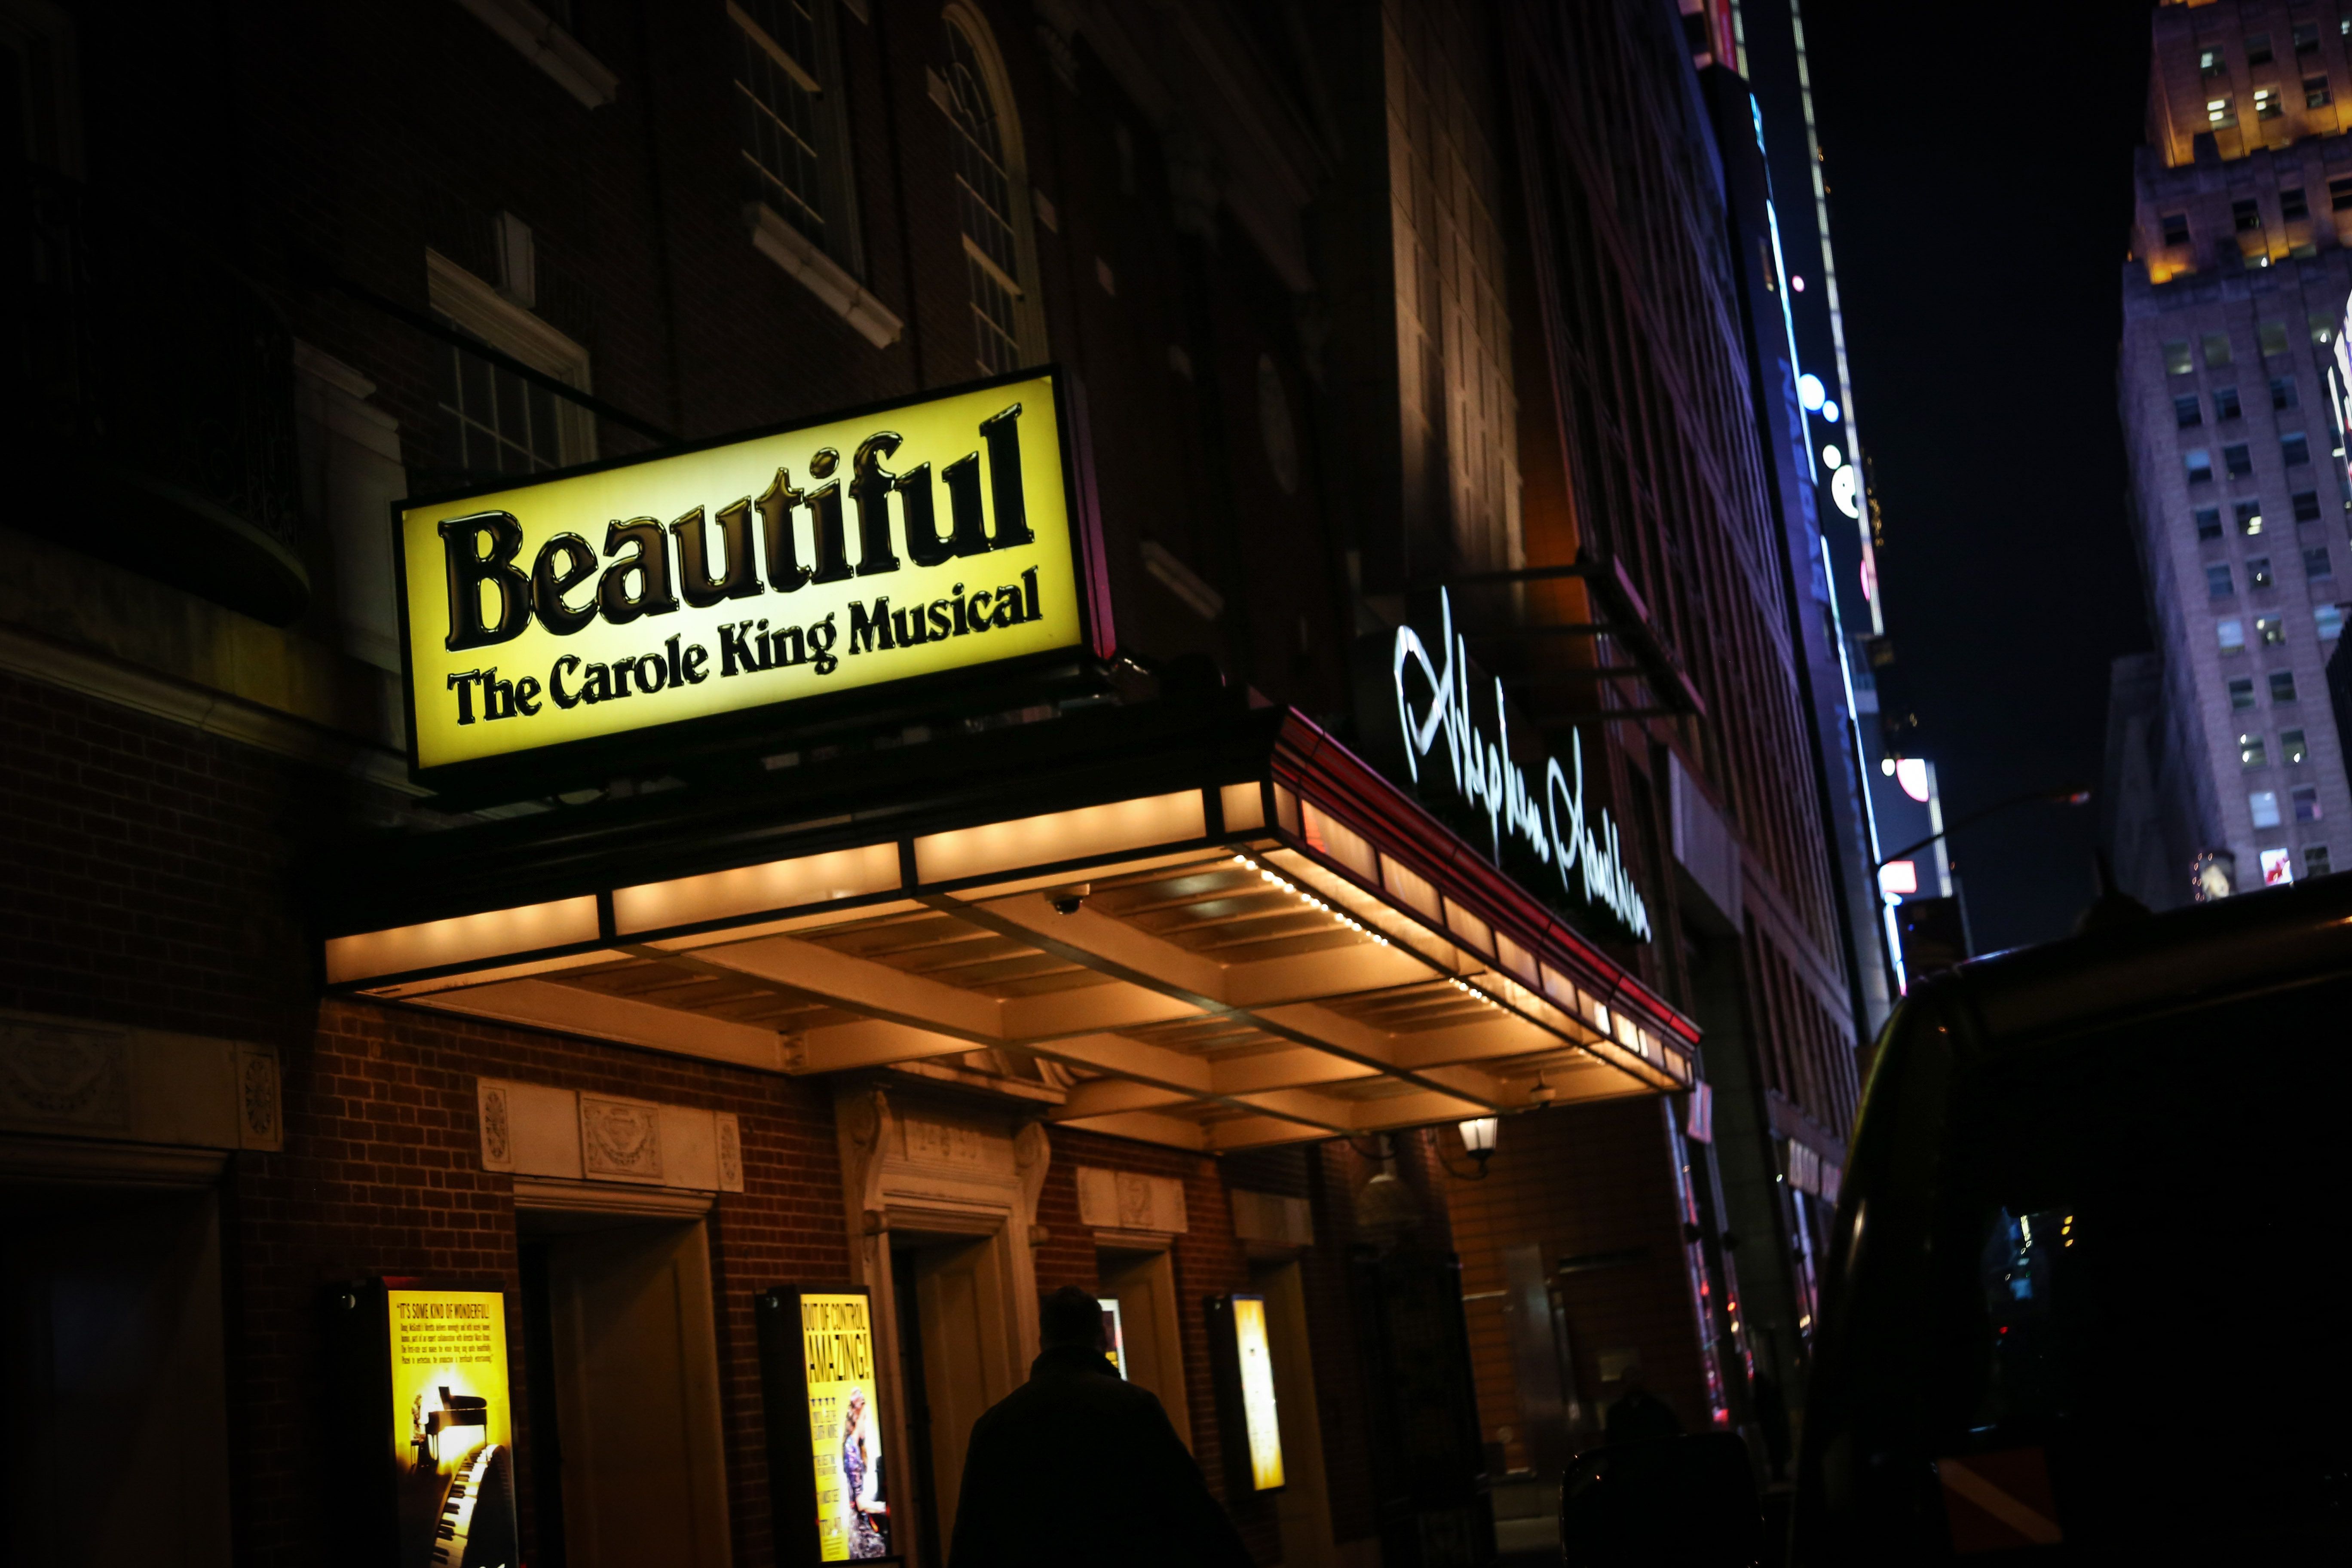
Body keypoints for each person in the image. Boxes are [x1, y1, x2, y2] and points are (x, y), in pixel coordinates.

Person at [949, 1285, 1256, 1568]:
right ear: (1105, 1338)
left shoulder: (996, 1423)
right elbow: (1190, 1504)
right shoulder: (1134, 1406)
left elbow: (973, 1533)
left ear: (1043, 1342)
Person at [840, 1386, 889, 1559]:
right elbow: (860, 1503)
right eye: (864, 1418)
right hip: (859, 1531)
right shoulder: (850, 1450)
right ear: (856, 1418)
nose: (866, 1424)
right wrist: (884, 1508)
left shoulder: (855, 1448)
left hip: (862, 1524)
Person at [1603, 1362, 1683, 1445]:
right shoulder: (1615, 1412)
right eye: (1631, 1379)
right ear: (1624, 1383)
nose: (1634, 1382)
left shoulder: (1659, 1408)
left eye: (1637, 1378)